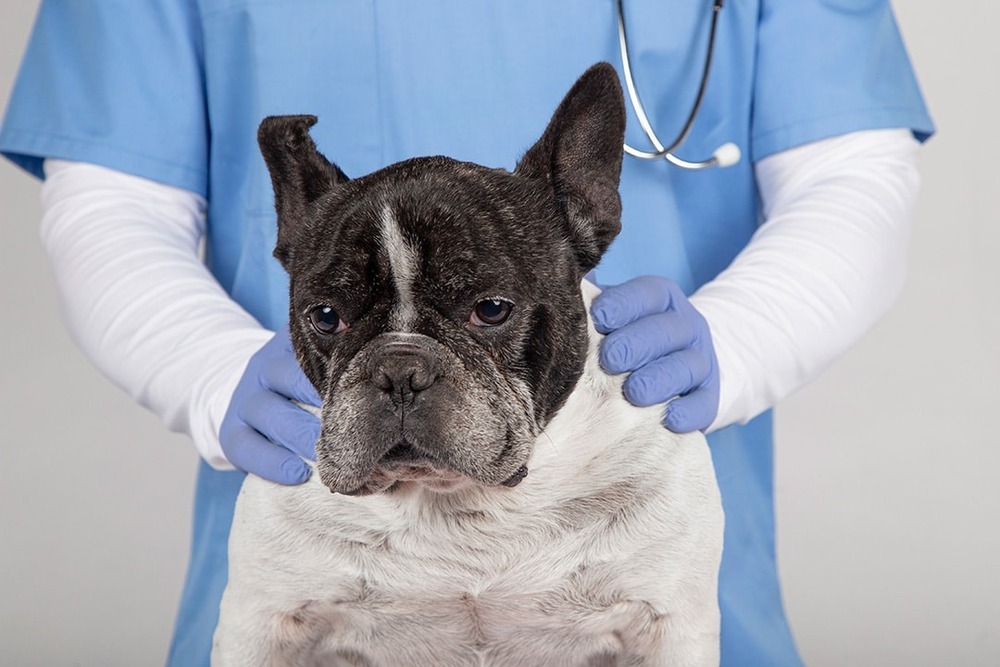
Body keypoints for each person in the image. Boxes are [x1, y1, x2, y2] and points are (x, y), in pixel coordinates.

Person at [0, 1, 932, 665]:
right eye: (330, 315)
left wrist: (752, 330)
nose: (412, 373)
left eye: (487, 312)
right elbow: (112, 198)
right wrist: (200, 367)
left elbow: (852, 166)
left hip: (615, 486)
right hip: (326, 524)